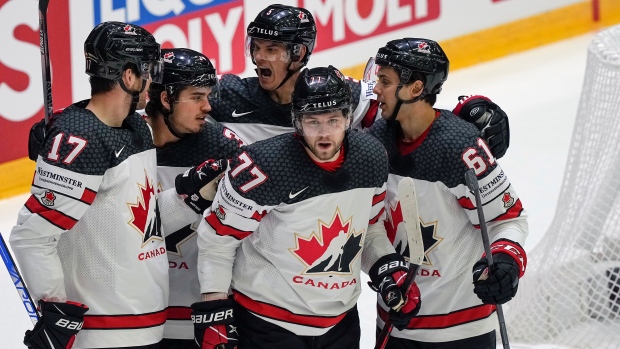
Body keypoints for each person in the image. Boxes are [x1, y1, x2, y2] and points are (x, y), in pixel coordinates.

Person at [9, 22, 223, 349]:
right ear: (128, 76)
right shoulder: (82, 139)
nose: (151, 83)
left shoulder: (137, 130)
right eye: (148, 72)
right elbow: (32, 235)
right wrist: (55, 312)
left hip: (145, 324)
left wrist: (191, 195)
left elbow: (141, 226)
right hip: (101, 331)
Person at [192, 66, 421, 349]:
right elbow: (217, 240)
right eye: (313, 122)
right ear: (297, 122)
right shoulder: (263, 166)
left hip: (341, 323)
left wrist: (386, 269)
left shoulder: (371, 158)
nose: (324, 134)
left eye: (333, 120)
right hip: (267, 323)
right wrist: (214, 309)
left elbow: (369, 228)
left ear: (349, 118)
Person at [366, 38, 528, 349]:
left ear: (415, 89)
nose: (376, 89)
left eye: (385, 81)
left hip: (464, 328)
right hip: (396, 321)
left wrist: (507, 259)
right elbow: (369, 225)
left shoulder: (461, 147)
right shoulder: (374, 144)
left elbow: (508, 220)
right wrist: (388, 276)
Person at [207, 3, 511, 160]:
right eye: (256, 47)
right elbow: (174, 101)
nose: (259, 57)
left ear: (298, 52)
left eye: (271, 49)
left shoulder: (342, 93)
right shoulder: (230, 94)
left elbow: (411, 117)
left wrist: (464, 121)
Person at [143, 47, 244, 348]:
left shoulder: (221, 147)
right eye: (197, 97)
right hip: (136, 313)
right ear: (165, 98)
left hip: (200, 315)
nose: (208, 107)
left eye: (208, 96)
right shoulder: (124, 141)